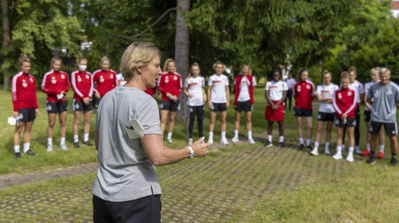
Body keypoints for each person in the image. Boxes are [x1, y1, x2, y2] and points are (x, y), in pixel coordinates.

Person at [92, 42, 210, 222]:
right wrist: (191, 151)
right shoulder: (144, 102)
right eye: (156, 66)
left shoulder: (106, 98)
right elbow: (158, 156)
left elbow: (99, 145)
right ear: (139, 67)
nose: (160, 71)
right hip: (135, 198)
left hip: (102, 195)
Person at [366, 68, 399, 166]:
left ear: (389, 76)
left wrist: (391, 110)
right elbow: (368, 99)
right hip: (376, 117)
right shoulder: (373, 87)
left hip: (390, 118)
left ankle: (393, 158)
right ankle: (372, 156)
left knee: (393, 139)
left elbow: (398, 102)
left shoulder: (395, 87)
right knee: (373, 136)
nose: (384, 78)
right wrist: (375, 107)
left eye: (386, 76)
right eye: (382, 76)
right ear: (379, 76)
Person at [11, 54, 39, 158]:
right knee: (18, 129)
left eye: (29, 66)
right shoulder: (16, 78)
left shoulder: (32, 78)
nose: (27, 68)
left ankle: (27, 149)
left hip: (31, 107)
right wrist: (15, 110)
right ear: (21, 66)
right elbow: (14, 94)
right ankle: (17, 152)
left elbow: (34, 94)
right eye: (25, 66)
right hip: (21, 108)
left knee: (28, 128)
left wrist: (36, 107)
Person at [41, 57, 70, 152]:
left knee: (63, 122)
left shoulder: (64, 75)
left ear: (61, 65)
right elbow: (43, 88)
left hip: (62, 100)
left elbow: (67, 86)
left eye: (59, 65)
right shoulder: (48, 75)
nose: (57, 66)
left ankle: (62, 143)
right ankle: (49, 144)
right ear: (52, 64)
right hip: (52, 101)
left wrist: (63, 91)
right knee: (51, 122)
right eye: (56, 64)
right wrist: (54, 91)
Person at [310, 71, 338, 156]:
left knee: (328, 130)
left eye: (328, 78)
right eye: (325, 78)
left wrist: (325, 99)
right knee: (319, 130)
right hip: (322, 111)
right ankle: (316, 148)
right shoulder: (319, 87)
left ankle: (326, 148)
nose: (326, 79)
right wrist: (329, 99)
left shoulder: (335, 87)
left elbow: (335, 99)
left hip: (331, 111)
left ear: (331, 78)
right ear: (323, 78)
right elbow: (319, 98)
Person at [332, 72, 358, 162]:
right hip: (339, 116)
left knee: (350, 135)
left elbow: (354, 104)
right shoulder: (336, 91)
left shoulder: (353, 91)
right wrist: (341, 113)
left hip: (350, 116)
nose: (345, 84)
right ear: (340, 81)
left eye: (346, 82)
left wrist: (346, 113)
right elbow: (334, 103)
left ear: (349, 82)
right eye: (343, 82)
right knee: (339, 135)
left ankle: (350, 154)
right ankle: (338, 153)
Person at [157, 58, 182, 144]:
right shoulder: (163, 75)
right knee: (163, 119)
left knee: (171, 118)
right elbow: (159, 86)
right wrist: (166, 93)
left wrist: (176, 95)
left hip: (174, 100)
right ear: (167, 67)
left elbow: (180, 88)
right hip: (165, 100)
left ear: (174, 67)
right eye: (169, 66)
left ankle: (169, 137)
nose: (171, 67)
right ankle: (160, 138)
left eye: (172, 66)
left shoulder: (178, 76)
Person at [362, 68, 385, 158]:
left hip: (379, 110)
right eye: (371, 75)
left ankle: (381, 151)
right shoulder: (368, 84)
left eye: (374, 75)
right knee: (369, 129)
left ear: (379, 75)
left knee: (380, 130)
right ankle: (368, 148)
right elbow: (366, 97)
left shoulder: (382, 84)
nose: (373, 77)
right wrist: (368, 106)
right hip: (369, 109)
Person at [232, 62, 256, 144]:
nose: (245, 70)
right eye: (244, 69)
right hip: (238, 101)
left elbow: (253, 89)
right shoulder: (237, 78)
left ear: (249, 70)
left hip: (247, 100)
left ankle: (250, 137)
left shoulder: (252, 78)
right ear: (241, 69)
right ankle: (236, 136)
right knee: (237, 118)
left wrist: (249, 98)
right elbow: (235, 89)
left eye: (247, 69)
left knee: (248, 119)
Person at [71, 57, 94, 148]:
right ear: (78, 64)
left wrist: (88, 97)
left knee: (87, 120)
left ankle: (86, 139)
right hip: (78, 99)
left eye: (85, 64)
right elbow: (74, 86)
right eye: (82, 64)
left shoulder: (89, 74)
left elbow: (92, 86)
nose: (84, 66)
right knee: (77, 120)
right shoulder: (74, 74)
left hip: (88, 99)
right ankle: (76, 141)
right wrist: (82, 97)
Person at [184, 62, 207, 146]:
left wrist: (204, 95)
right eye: (193, 70)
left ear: (199, 70)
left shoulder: (201, 79)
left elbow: (202, 89)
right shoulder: (188, 79)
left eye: (196, 70)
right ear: (191, 71)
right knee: (191, 120)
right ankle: (190, 138)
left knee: (200, 120)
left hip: (200, 102)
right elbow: (185, 90)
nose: (195, 71)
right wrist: (187, 94)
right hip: (191, 103)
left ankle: (201, 138)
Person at [342, 68, 364, 154]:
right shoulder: (344, 84)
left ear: (355, 75)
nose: (351, 77)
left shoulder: (359, 85)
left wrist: (355, 102)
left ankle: (356, 147)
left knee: (356, 127)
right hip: (345, 107)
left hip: (355, 108)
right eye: (349, 75)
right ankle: (343, 145)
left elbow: (361, 98)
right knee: (343, 125)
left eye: (352, 75)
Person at [264, 67, 288, 148]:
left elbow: (284, 96)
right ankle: (269, 140)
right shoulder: (269, 83)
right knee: (270, 122)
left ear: (280, 76)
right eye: (274, 76)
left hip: (279, 104)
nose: (275, 77)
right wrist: (272, 104)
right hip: (270, 104)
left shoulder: (283, 84)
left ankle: (281, 141)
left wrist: (277, 104)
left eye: (277, 76)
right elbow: (266, 95)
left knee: (280, 123)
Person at [207, 61, 230, 145]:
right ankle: (210, 138)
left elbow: (227, 89)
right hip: (214, 101)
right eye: (217, 67)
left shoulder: (225, 78)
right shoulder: (212, 78)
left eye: (220, 67)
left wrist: (228, 100)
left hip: (223, 101)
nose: (219, 69)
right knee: (212, 120)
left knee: (223, 120)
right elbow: (209, 89)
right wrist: (209, 101)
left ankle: (223, 138)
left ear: (223, 69)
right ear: (215, 68)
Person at [293, 68, 315, 150]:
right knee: (299, 125)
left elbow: (313, 95)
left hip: (308, 108)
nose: (305, 77)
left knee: (310, 126)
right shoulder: (295, 85)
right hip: (298, 107)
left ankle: (308, 144)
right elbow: (295, 95)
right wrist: (299, 103)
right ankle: (301, 143)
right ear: (300, 75)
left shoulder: (311, 85)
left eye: (306, 75)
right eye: (304, 75)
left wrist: (308, 102)